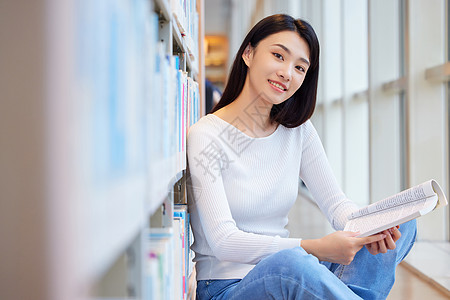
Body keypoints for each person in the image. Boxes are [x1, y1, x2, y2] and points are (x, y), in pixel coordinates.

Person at [186, 14, 416, 300]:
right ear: (248, 53)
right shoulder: (206, 134)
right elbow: (223, 242)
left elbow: (336, 206)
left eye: (300, 68)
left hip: (290, 275)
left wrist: (372, 227)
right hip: (229, 287)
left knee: (402, 221)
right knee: (292, 264)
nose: (287, 73)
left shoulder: (297, 132)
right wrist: (315, 248)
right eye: (278, 56)